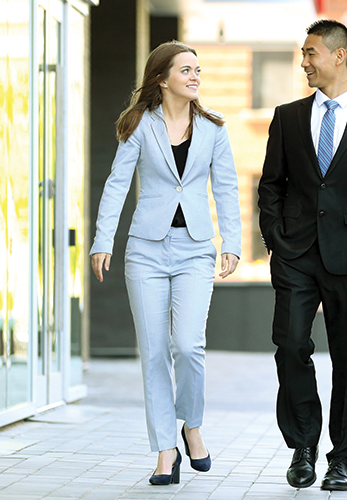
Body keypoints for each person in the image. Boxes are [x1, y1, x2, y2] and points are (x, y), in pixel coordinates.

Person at [258, 20, 347, 492]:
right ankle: (303, 444)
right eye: (303, 54)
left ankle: (343, 459)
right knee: (291, 344)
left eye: (311, 53)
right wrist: (276, 241)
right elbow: (270, 187)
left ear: (338, 56)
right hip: (295, 255)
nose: (304, 62)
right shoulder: (287, 117)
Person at [90, 40, 241, 486]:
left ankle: (191, 425)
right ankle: (164, 451)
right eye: (186, 69)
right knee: (154, 351)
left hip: (196, 248)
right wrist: (104, 241)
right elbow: (117, 185)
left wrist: (231, 241)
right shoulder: (140, 125)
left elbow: (227, 188)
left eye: (198, 69)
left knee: (188, 345)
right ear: (162, 78)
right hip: (146, 251)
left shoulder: (213, 128)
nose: (195, 76)